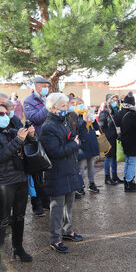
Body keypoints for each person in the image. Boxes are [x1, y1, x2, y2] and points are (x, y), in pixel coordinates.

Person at [39, 93, 83, 253]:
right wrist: (74, 145)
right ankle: (55, 239)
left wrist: (73, 141)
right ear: (53, 108)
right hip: (57, 173)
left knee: (68, 205)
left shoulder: (63, 122)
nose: (67, 108)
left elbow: (67, 141)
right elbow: (55, 151)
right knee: (57, 208)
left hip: (69, 170)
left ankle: (67, 231)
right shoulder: (48, 127)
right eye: (64, 106)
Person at [0, 103, 35, 268]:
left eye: (6, 112)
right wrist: (17, 141)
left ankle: (18, 248)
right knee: (3, 219)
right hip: (4, 182)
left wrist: (31, 135)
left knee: (19, 216)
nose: (5, 116)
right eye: (1, 113)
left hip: (20, 178)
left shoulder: (11, 130)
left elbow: (27, 142)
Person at [23, 76, 50, 217]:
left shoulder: (49, 97)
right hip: (36, 141)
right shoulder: (29, 101)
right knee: (37, 175)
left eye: (47, 85)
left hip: (50, 139)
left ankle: (46, 201)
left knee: (48, 174)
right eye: (44, 85)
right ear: (37, 86)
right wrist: (48, 106)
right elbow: (35, 119)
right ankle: (37, 204)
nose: (46, 88)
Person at [117, 92, 136, 192]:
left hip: (126, 142)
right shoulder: (133, 114)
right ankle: (129, 182)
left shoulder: (122, 113)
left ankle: (127, 180)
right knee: (132, 163)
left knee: (128, 162)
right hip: (134, 143)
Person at [98, 94, 123, 185]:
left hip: (116, 139)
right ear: (108, 102)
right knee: (108, 158)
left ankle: (115, 175)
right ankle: (107, 177)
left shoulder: (116, 112)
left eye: (116, 100)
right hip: (108, 139)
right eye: (112, 100)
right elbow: (100, 127)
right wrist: (108, 135)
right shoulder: (104, 113)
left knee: (114, 158)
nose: (114, 102)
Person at [76, 100, 100, 193]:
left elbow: (97, 128)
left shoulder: (87, 113)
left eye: (82, 103)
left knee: (91, 165)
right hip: (83, 145)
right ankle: (80, 186)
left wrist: (93, 120)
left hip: (92, 143)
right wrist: (84, 121)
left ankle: (92, 183)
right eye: (79, 104)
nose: (81, 106)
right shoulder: (76, 116)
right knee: (81, 167)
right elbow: (77, 130)